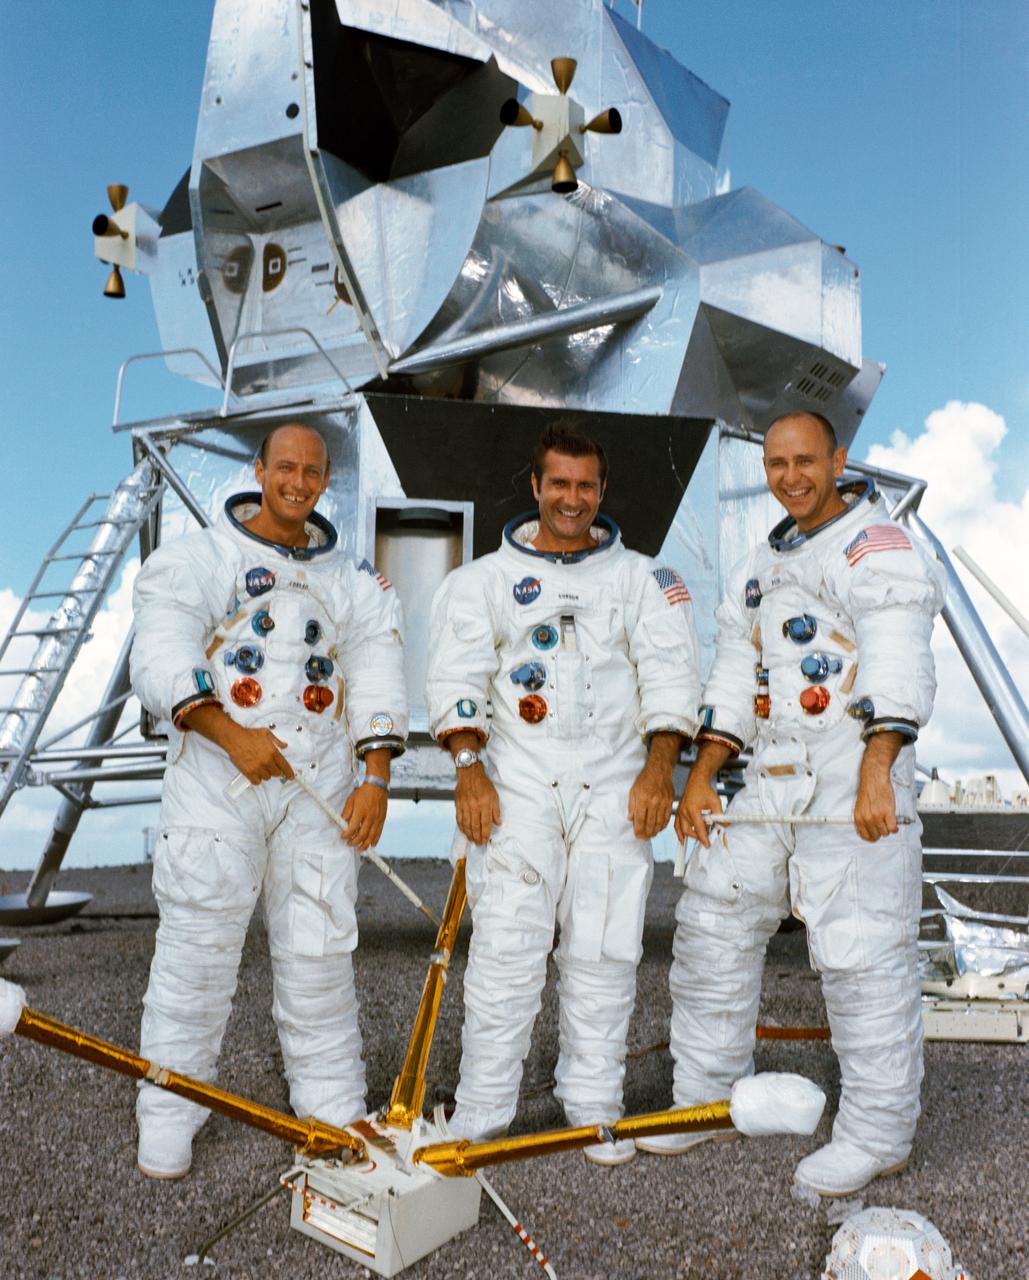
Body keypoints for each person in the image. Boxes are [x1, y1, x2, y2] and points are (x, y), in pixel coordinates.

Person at [642, 411, 945, 1197]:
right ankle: (704, 1095)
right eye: (775, 463)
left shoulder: (873, 547)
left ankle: (879, 1134)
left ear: (837, 459)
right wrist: (705, 771)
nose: (789, 476)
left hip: (851, 775)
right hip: (771, 776)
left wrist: (881, 765)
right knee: (711, 917)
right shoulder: (757, 566)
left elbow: (896, 654)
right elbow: (734, 683)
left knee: (860, 948)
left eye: (804, 460)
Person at [130, 422, 407, 1178]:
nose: (297, 482)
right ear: (259, 470)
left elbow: (378, 671)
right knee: (197, 954)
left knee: (319, 950)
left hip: (314, 785)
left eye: (311, 471)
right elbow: (160, 647)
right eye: (284, 467)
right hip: (218, 779)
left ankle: (330, 1103)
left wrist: (375, 777)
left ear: (324, 482)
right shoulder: (198, 557)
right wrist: (228, 731)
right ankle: (169, 1112)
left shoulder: (353, 579)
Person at [426, 423, 700, 1166]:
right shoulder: (481, 582)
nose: (571, 499)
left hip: (615, 779)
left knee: (606, 948)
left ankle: (592, 1102)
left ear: (601, 491)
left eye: (585, 486)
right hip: (516, 777)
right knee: (508, 947)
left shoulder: (644, 580)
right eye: (559, 484)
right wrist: (467, 769)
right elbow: (456, 679)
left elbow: (670, 680)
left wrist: (658, 771)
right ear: (536, 486)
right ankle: (484, 1108)